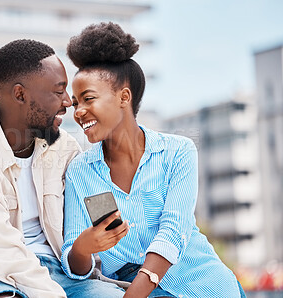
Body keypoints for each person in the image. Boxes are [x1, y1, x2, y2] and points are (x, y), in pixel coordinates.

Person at [0, 39, 125, 297]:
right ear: (20, 94)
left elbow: (95, 221)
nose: (68, 102)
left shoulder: (65, 148)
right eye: (58, 91)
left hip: (62, 272)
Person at [61, 22, 247, 298]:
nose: (79, 112)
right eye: (76, 103)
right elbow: (77, 265)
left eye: (88, 99)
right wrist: (82, 248)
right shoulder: (80, 171)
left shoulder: (178, 152)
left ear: (124, 97)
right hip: (126, 285)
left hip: (202, 283)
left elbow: (173, 231)